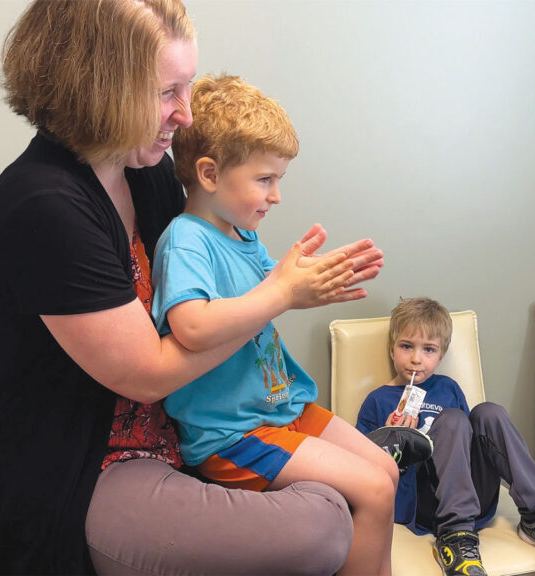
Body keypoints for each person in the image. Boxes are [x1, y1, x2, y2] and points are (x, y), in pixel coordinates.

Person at [0, 2, 382, 574]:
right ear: (97, 88)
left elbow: (217, 285)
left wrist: (299, 282)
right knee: (323, 522)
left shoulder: (149, 171)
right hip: (83, 472)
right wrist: (279, 297)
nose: (184, 116)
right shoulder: (43, 205)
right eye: (167, 92)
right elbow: (148, 372)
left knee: (359, 486)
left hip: (180, 432)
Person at [152, 73, 396, 576]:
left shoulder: (242, 235)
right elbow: (191, 328)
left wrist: (313, 281)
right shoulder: (186, 241)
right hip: (233, 434)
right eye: (266, 180)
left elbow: (273, 293)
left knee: (387, 469)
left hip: (282, 408)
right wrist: (283, 290)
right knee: (371, 490)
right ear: (210, 174)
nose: (276, 195)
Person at [357, 297, 535, 576]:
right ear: (392, 348)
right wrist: (392, 440)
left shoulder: (449, 389)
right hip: (424, 506)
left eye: (429, 349)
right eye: (406, 346)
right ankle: (455, 536)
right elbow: (361, 470)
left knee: (488, 412)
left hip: (471, 499)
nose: (416, 358)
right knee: (454, 419)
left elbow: (470, 446)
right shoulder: (377, 401)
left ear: (441, 356)